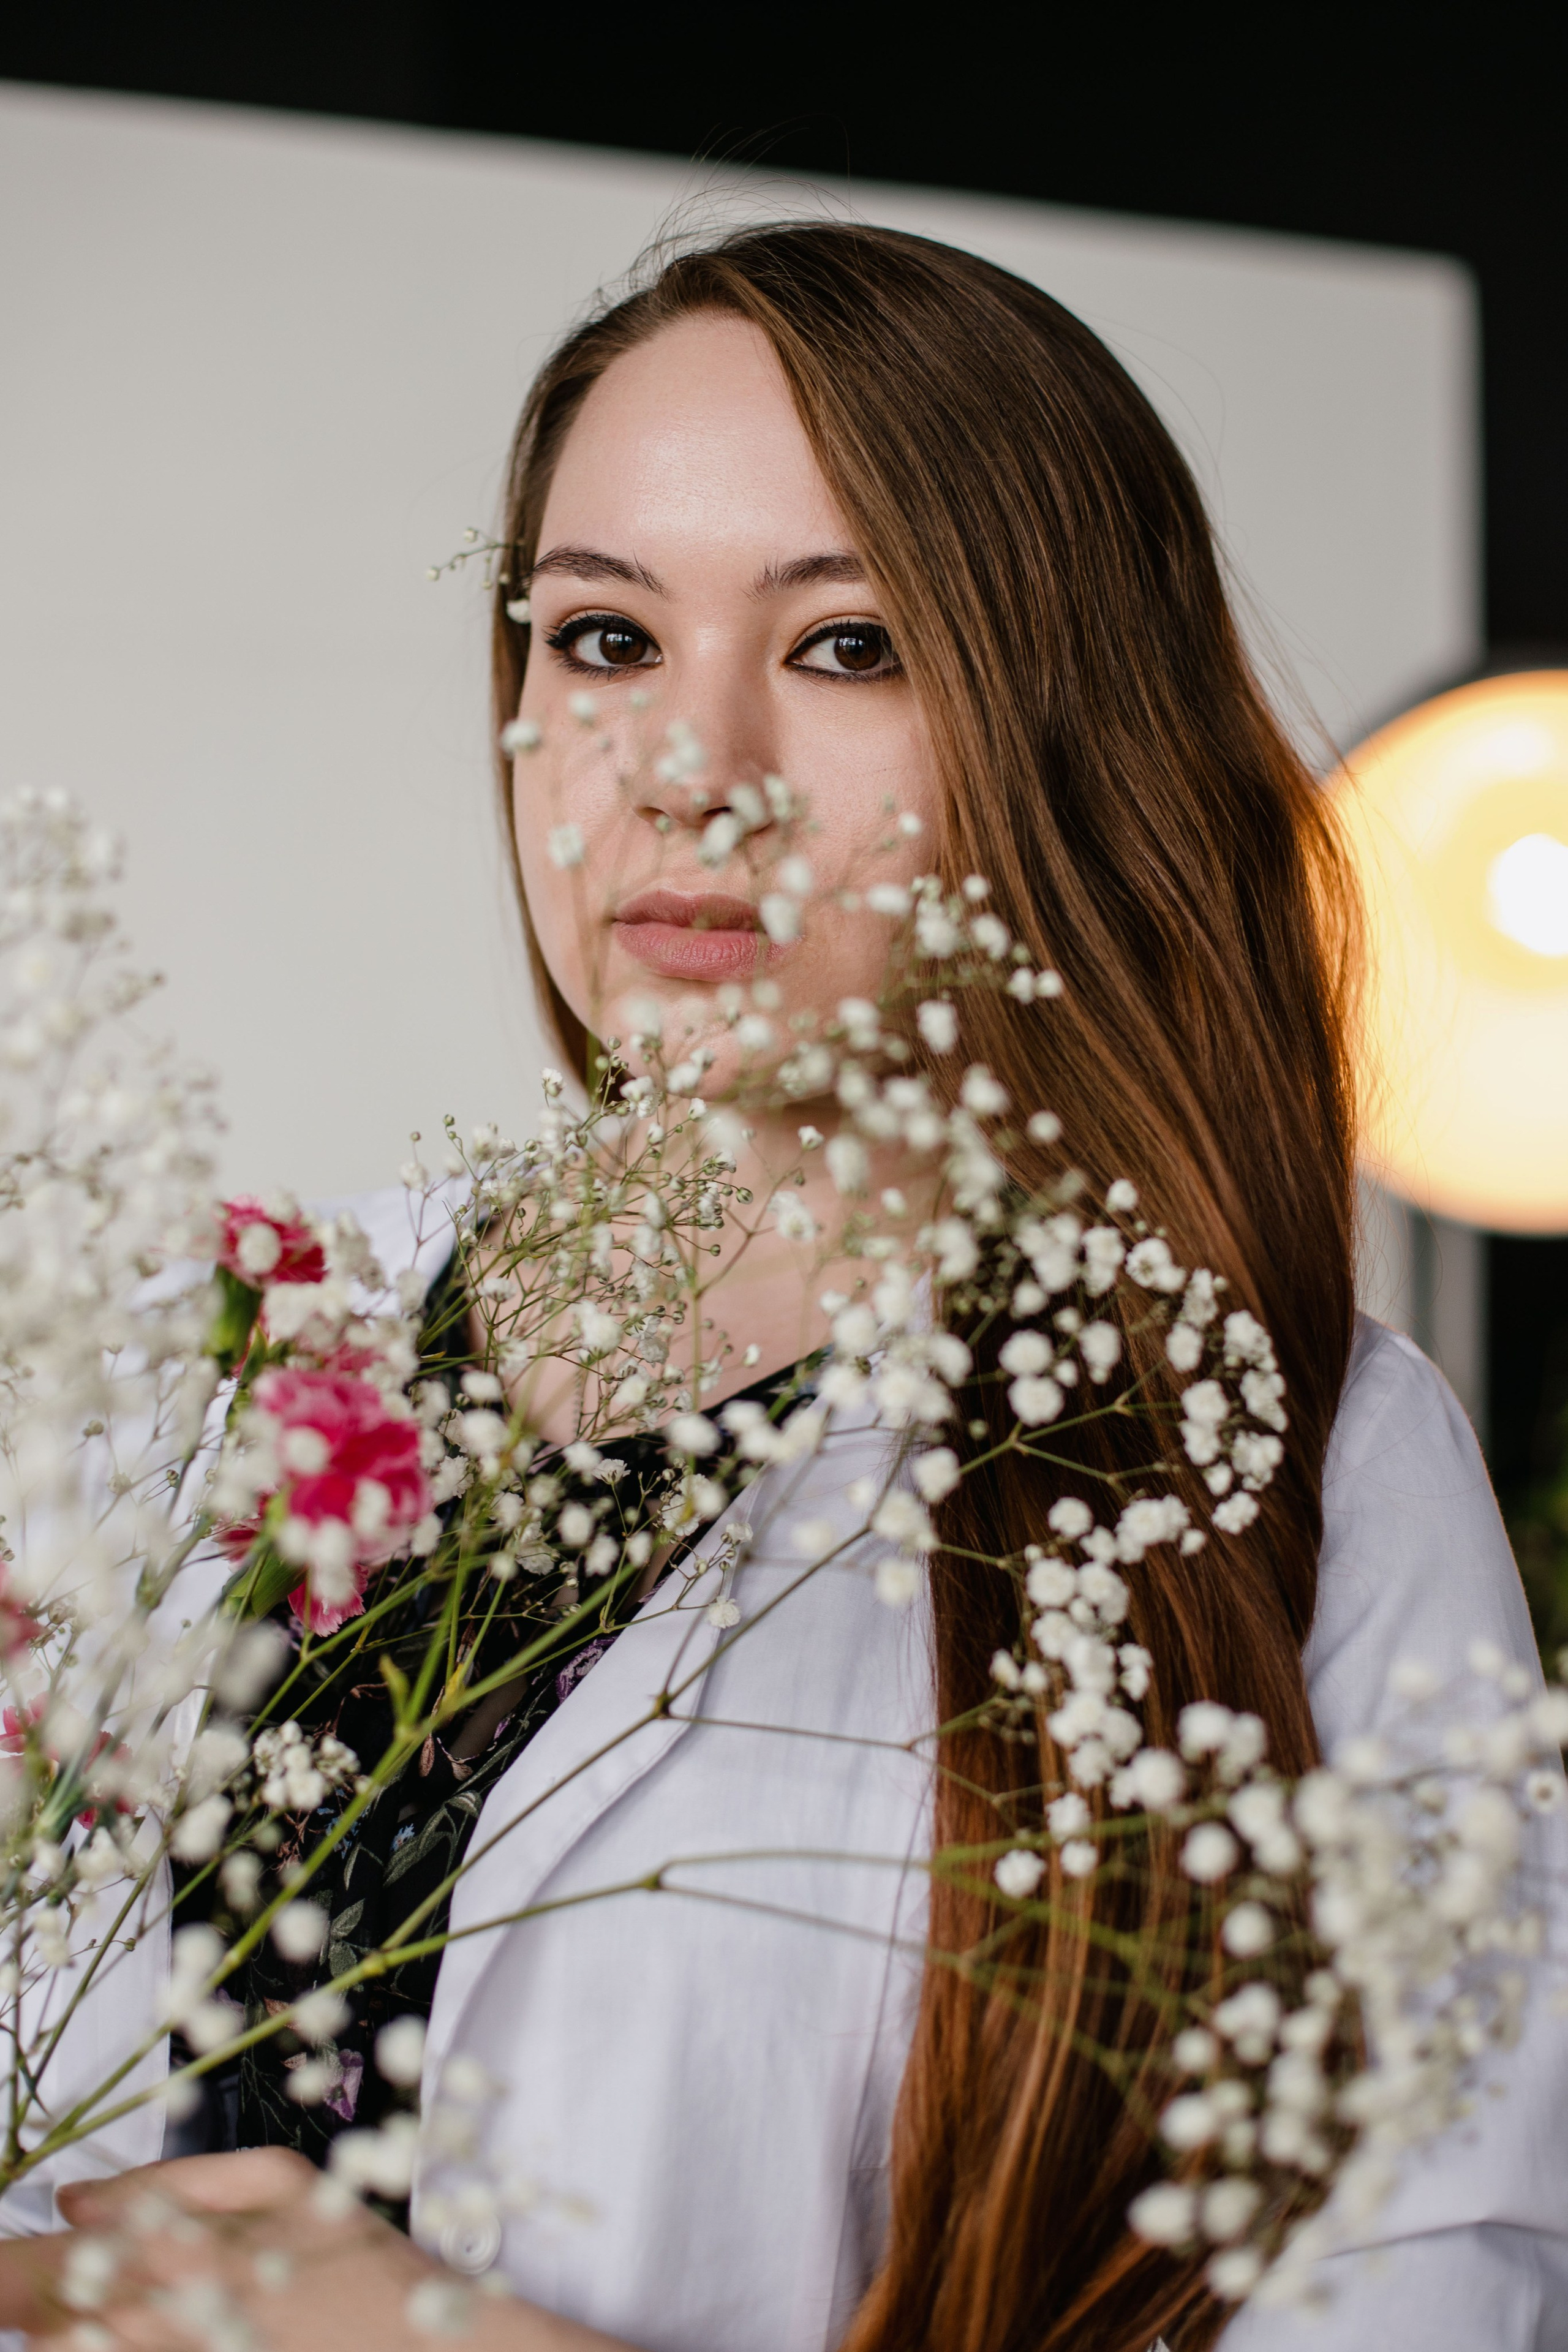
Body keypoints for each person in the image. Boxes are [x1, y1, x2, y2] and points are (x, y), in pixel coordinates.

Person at [2, 220, 1564, 2352]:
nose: (685, 767)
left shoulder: (1287, 1449)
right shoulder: (239, 1349)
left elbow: (1426, 2303)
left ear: (1062, 731)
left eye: (848, 647)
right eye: (603, 638)